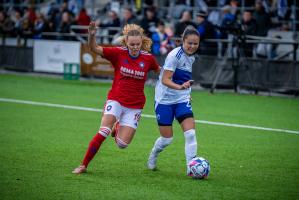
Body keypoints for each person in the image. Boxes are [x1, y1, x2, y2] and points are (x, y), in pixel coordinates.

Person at [72, 22, 160, 174]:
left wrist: (180, 84)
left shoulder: (148, 59)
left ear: (141, 42)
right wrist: (92, 36)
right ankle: (83, 165)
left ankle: (117, 126)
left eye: (138, 44)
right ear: (126, 42)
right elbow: (94, 48)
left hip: (135, 105)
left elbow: (162, 73)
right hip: (116, 100)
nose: (135, 47)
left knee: (122, 144)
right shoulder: (118, 53)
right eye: (132, 44)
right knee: (104, 131)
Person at [147, 26, 201, 175]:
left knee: (190, 134)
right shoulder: (174, 56)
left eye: (195, 44)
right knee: (167, 139)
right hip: (164, 100)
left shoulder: (192, 56)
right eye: (189, 43)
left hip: (181, 99)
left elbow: (184, 79)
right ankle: (153, 155)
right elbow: (165, 80)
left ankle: (192, 168)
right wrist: (180, 87)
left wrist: (185, 92)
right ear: (183, 41)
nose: (192, 46)